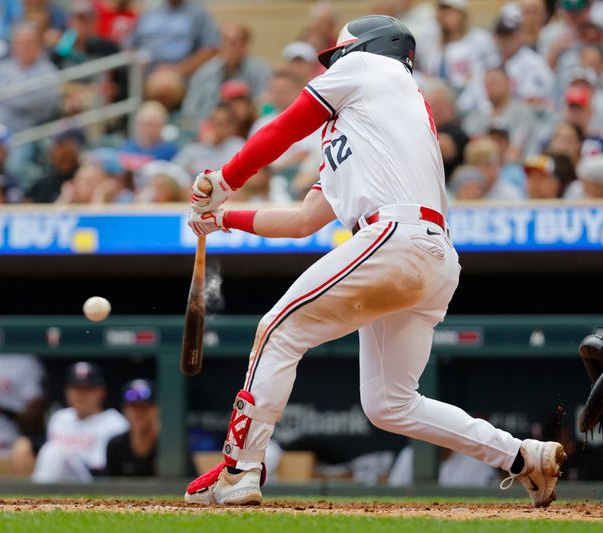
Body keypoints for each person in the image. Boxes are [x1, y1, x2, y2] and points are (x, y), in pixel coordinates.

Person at [184, 15, 565, 507]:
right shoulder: (372, 125)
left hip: (394, 238)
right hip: (431, 257)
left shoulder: (371, 68)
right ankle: (522, 457)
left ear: (367, 48)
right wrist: (225, 219)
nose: (335, 64)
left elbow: (284, 127)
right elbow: (305, 220)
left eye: (339, 55)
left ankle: (239, 467)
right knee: (390, 404)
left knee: (277, 331)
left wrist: (224, 178)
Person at [28, 361, 128, 483]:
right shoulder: (59, 418)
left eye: (87, 389)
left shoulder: (115, 422)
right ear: (67, 392)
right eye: (76, 388)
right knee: (52, 450)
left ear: (101, 392)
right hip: (59, 483)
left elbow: (107, 468)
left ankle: (36, 498)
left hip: (95, 482)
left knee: (54, 452)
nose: (81, 395)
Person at [181, 24, 271, 129]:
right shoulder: (205, 72)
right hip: (209, 129)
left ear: (245, 45)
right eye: (225, 41)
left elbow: (266, 106)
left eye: (234, 43)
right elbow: (189, 109)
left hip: (248, 128)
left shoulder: (260, 70)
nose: (229, 47)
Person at [173, 104, 245, 178]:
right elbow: (174, 171)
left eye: (220, 124)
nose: (215, 128)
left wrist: (194, 168)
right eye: (213, 122)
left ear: (232, 127)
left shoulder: (238, 146)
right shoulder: (197, 146)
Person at [106, 379, 159, 477]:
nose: (138, 413)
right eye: (133, 407)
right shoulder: (116, 445)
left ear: (156, 409)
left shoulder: (170, 446)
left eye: (143, 407)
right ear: (125, 409)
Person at [26, 129, 85, 203]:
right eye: (58, 145)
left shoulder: (86, 178)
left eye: (66, 145)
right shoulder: (44, 181)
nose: (61, 152)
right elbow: (27, 205)